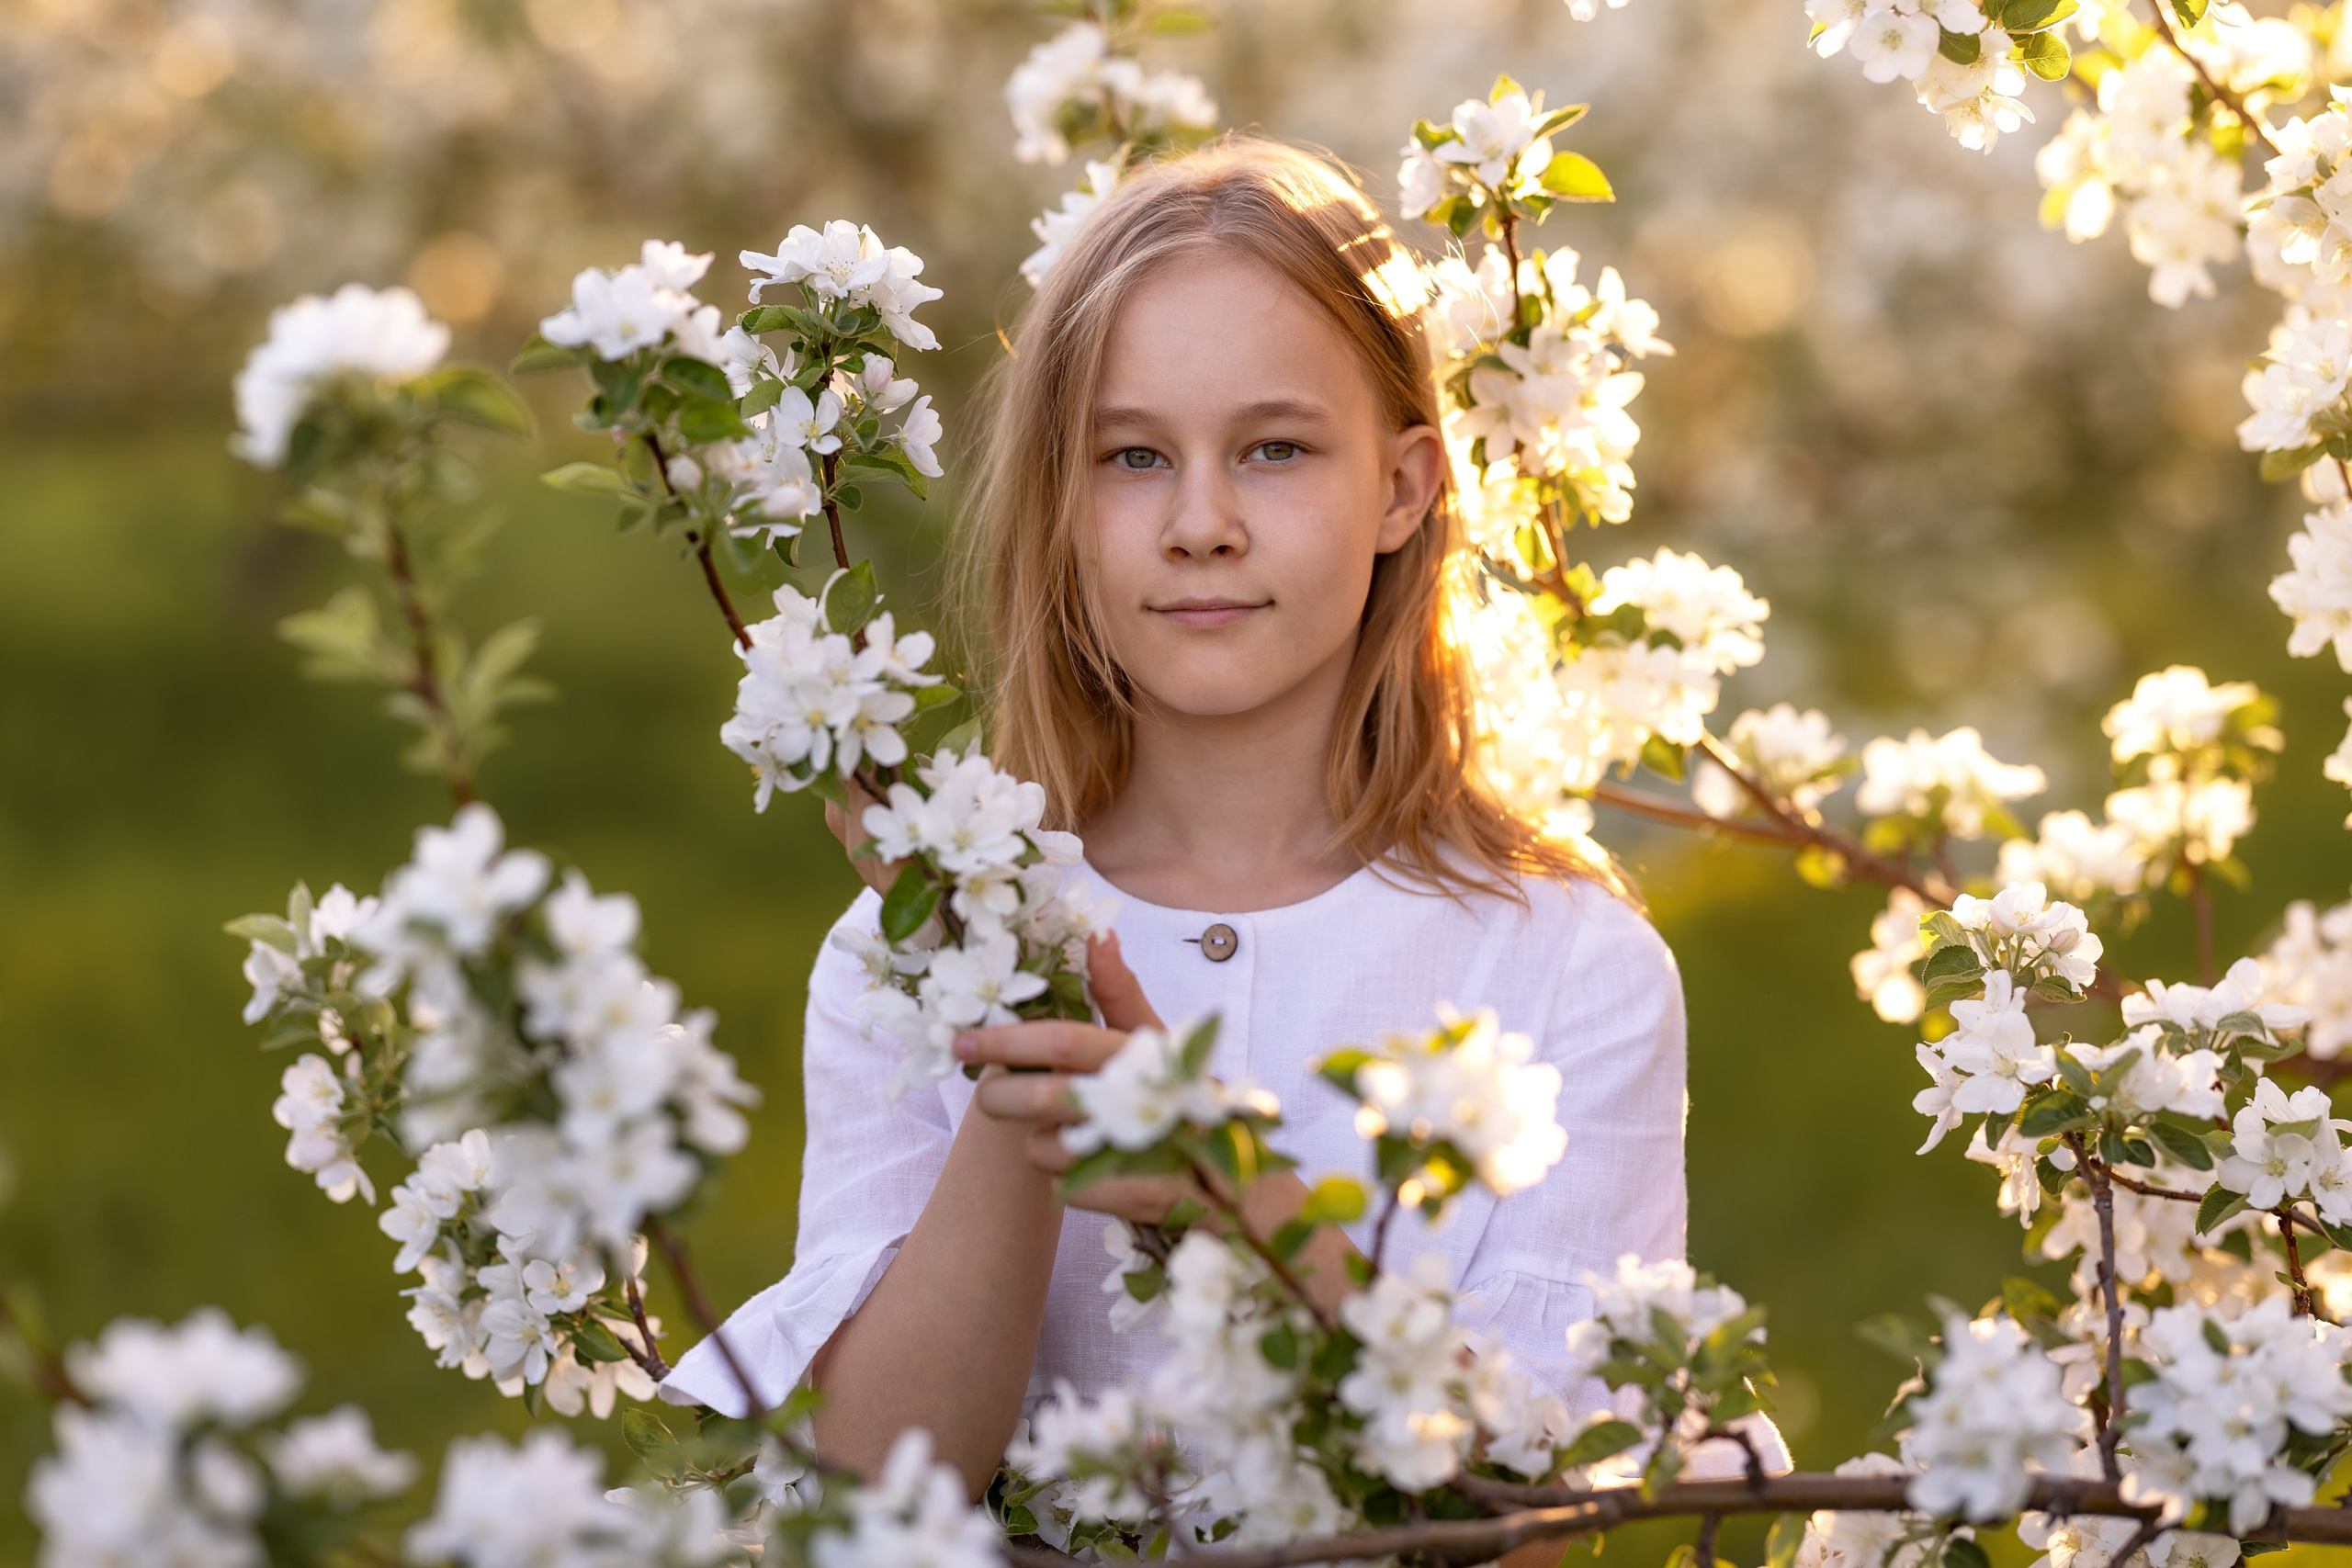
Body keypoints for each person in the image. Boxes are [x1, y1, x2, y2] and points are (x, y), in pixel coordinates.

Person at [662, 138, 1758, 1523]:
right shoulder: (901, 954)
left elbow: (1521, 1519)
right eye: (1132, 457)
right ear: (1061, 506)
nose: (1200, 524)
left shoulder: (1566, 968)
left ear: (1404, 488)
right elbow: (872, 1492)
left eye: (1275, 449)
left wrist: (1224, 1195)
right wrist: (1016, 1032)